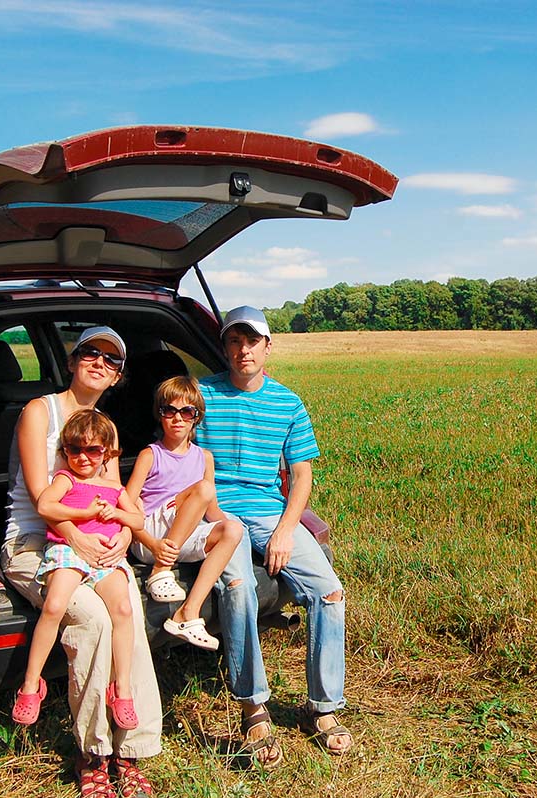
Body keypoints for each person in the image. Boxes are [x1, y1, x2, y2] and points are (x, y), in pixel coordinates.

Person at [0, 326, 160, 798]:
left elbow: (117, 496)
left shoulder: (103, 427)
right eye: (90, 352)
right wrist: (77, 539)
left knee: (127, 610)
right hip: (36, 540)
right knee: (92, 619)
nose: (99, 363)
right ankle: (94, 754)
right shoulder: (40, 412)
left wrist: (124, 535)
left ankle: (132, 749)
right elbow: (40, 497)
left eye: (111, 360)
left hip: (99, 542)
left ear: (117, 377)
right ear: (71, 361)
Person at [194, 306, 353, 768]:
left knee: (329, 592)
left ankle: (322, 708)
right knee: (238, 588)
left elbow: (301, 476)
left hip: (270, 514)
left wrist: (285, 530)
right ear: (225, 347)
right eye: (234, 341)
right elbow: (183, 461)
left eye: (252, 341)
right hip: (217, 514)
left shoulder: (288, 403)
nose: (243, 350)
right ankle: (253, 708)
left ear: (268, 347)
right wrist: (216, 518)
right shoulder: (201, 396)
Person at [13, 409, 144, 733]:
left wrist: (118, 515)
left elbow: (138, 520)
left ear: (107, 453)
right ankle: (31, 684)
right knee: (55, 605)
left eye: (93, 450)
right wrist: (85, 513)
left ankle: (122, 689)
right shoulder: (66, 479)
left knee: (123, 609)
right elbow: (45, 505)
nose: (83, 457)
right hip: (68, 550)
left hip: (105, 556)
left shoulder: (114, 488)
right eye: (75, 449)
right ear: (65, 451)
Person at [125, 375, 243, 651]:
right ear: (160, 415)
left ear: (196, 417)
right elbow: (127, 505)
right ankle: (160, 571)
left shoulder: (204, 457)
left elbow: (211, 510)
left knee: (233, 529)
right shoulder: (150, 455)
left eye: (186, 411)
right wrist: (150, 542)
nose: (178, 418)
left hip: (181, 536)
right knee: (203, 489)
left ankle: (188, 613)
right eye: (170, 411)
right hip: (151, 536)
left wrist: (236, 532)